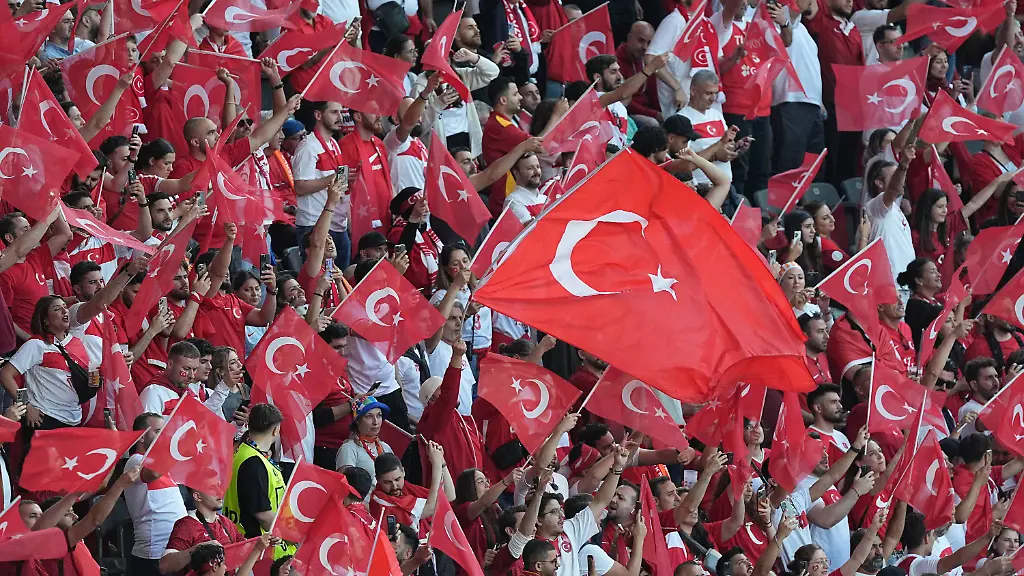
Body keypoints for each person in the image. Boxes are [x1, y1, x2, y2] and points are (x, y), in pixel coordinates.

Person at [222, 403, 295, 559]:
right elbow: (262, 514)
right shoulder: (254, 462)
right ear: (276, 430)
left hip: (248, 544)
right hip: (258, 550)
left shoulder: (246, 452)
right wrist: (293, 537)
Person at [160, 488, 246, 574]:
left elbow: (246, 551)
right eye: (212, 488)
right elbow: (164, 566)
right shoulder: (186, 526)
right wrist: (197, 550)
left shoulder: (226, 522)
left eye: (219, 487)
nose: (220, 492)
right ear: (197, 496)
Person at [336, 396, 394, 479]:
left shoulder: (385, 448)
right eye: (369, 416)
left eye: (379, 415)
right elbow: (345, 484)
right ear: (357, 421)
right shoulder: (348, 449)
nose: (375, 422)